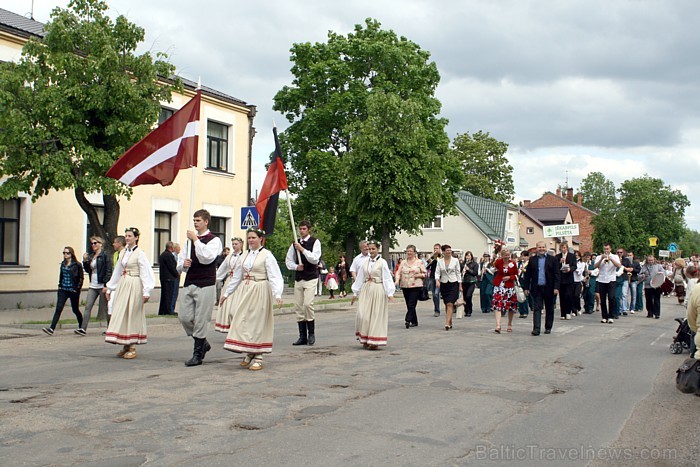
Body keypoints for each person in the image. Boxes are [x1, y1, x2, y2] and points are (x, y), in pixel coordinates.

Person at [220, 228, 283, 371]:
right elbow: (237, 276)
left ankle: (258, 355)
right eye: (249, 238)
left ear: (261, 239)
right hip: (245, 288)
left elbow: (274, 275)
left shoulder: (267, 255)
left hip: (260, 288)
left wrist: (277, 294)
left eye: (253, 237)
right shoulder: (244, 255)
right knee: (240, 317)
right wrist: (226, 294)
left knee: (256, 321)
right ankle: (249, 351)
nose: (251, 240)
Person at [177, 209, 223, 367]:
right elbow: (180, 261)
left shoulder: (214, 240)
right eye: (194, 220)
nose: (195, 223)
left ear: (206, 222)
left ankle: (197, 353)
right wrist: (183, 265)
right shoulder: (189, 241)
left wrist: (196, 240)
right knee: (184, 316)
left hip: (206, 283)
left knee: (201, 319)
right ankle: (202, 341)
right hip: (190, 281)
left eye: (198, 220)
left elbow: (206, 258)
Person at [104, 228, 155, 359]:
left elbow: (145, 272)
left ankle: (132, 345)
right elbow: (117, 271)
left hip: (134, 284)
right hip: (123, 283)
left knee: (132, 313)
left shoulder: (140, 253)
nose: (127, 238)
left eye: (130, 236)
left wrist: (146, 291)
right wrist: (110, 287)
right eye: (126, 236)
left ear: (136, 237)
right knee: (121, 312)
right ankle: (125, 344)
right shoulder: (123, 253)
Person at [351, 241, 396, 349]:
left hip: (378, 288)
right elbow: (360, 277)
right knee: (363, 314)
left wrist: (390, 293)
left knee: (376, 315)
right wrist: (355, 292)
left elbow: (386, 277)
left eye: (373, 249)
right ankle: (365, 337)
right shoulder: (365, 262)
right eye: (369, 249)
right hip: (366, 289)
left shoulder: (382, 262)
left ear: (378, 249)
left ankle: (374, 340)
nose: (371, 251)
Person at [285, 220, 322, 346]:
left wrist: (303, 250)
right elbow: (288, 261)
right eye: (300, 229)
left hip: (311, 277)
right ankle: (302, 336)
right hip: (299, 277)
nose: (301, 231)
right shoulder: (294, 244)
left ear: (308, 229)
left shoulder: (315, 242)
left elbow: (315, 259)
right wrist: (296, 267)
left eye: (304, 229)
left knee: (307, 304)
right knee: (299, 306)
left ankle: (311, 333)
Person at [42, 246, 85, 336]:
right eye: (64, 253)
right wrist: (60, 286)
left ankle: (82, 326)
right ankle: (51, 328)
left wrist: (77, 289)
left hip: (73, 290)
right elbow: (61, 276)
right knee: (58, 308)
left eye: (67, 253)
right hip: (63, 289)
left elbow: (81, 278)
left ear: (71, 254)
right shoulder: (63, 264)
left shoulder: (77, 265)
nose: (65, 255)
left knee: (75, 309)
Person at [522, 240, 560, 336]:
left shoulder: (553, 259)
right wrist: (526, 287)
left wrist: (556, 287)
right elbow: (528, 275)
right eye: (539, 247)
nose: (541, 249)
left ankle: (548, 327)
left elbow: (557, 275)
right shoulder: (532, 260)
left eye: (543, 247)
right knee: (537, 308)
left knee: (549, 308)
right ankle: (536, 329)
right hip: (537, 288)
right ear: (536, 248)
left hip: (549, 288)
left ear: (546, 248)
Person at [78, 236, 112, 335]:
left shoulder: (105, 255)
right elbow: (89, 270)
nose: (93, 245)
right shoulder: (92, 256)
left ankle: (110, 328)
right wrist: (85, 261)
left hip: (102, 285)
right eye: (92, 243)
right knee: (88, 306)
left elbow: (108, 270)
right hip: (93, 285)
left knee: (106, 307)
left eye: (95, 243)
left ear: (100, 244)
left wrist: (106, 285)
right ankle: (83, 328)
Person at [214, 237, 244, 332]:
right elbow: (221, 270)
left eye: (236, 244)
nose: (234, 246)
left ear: (241, 244)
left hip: (240, 283)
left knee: (236, 307)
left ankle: (238, 328)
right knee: (227, 305)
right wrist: (213, 279)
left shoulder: (244, 256)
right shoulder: (229, 257)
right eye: (233, 244)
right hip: (229, 281)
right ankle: (229, 326)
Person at [394, 244, 426, 328]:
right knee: (409, 304)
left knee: (412, 303)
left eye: (411, 251)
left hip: (416, 285)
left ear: (414, 252)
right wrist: (397, 280)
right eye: (407, 251)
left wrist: (419, 275)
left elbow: (425, 273)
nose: (409, 253)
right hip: (405, 285)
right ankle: (414, 321)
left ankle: (407, 320)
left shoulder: (419, 262)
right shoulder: (403, 262)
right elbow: (398, 272)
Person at [491, 246, 519, 334]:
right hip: (499, 286)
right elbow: (492, 266)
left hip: (510, 287)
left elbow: (516, 275)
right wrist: (495, 253)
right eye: (505, 255)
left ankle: (509, 323)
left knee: (510, 306)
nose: (507, 257)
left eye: (508, 255)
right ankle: (498, 325)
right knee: (498, 304)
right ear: (502, 256)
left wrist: (510, 277)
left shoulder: (513, 263)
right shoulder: (498, 262)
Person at [594, 243, 623, 324]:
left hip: (611, 279)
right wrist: (601, 259)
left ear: (610, 249)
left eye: (607, 249)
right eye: (605, 249)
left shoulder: (615, 256)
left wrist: (611, 260)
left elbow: (618, 265)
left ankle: (610, 316)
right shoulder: (599, 257)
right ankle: (604, 316)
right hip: (602, 279)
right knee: (602, 299)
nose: (606, 251)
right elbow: (595, 266)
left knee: (611, 297)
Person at [435, 244, 461, 330]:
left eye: (450, 250)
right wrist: (437, 280)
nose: (449, 252)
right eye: (447, 251)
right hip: (444, 283)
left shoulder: (455, 260)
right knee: (446, 303)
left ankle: (446, 322)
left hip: (453, 283)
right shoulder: (440, 261)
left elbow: (458, 273)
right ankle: (450, 321)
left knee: (450, 303)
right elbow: (437, 272)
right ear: (443, 252)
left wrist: (460, 284)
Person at [556, 241, 577, 320]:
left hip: (569, 279)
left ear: (567, 248)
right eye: (561, 248)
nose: (563, 249)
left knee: (568, 295)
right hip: (561, 279)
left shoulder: (572, 256)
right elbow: (555, 267)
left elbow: (574, 266)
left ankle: (568, 312)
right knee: (562, 296)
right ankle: (563, 313)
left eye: (564, 248)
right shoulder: (557, 256)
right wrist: (559, 262)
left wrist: (570, 269)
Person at [158, 241, 179, 316]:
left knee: (164, 295)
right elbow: (171, 267)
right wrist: (177, 275)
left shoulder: (163, 254)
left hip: (163, 277)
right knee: (169, 295)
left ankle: (162, 311)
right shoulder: (169, 256)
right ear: (171, 247)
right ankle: (168, 311)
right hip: (169, 278)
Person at [425, 244, 442, 317]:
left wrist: (438, 259)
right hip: (432, 277)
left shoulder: (441, 257)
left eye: (437, 248)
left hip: (440, 277)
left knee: (438, 293)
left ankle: (451, 306)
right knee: (435, 294)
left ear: (440, 249)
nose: (435, 250)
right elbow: (427, 266)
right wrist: (431, 259)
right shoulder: (432, 257)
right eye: (434, 248)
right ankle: (437, 310)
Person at [460, 251, 478, 317]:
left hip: (471, 282)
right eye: (467, 256)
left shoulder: (475, 264)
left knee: (468, 296)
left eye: (469, 256)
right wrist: (463, 270)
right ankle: (466, 310)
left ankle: (470, 310)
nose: (468, 257)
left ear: (471, 257)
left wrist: (468, 269)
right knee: (465, 297)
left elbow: (475, 273)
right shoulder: (463, 264)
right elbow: (459, 272)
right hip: (464, 282)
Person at [517, 251, 531, 318]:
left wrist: (524, 270)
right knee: (519, 296)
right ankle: (521, 311)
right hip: (520, 280)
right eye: (523, 256)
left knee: (525, 297)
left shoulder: (529, 263)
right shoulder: (520, 263)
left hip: (526, 281)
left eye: (525, 256)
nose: (524, 258)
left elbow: (531, 272)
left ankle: (525, 311)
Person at [171, 242, 181, 314]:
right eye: (178, 248)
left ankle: (172, 308)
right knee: (174, 292)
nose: (180, 249)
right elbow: (174, 267)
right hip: (175, 276)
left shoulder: (177, 256)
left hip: (177, 275)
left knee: (175, 293)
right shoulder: (173, 256)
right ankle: (171, 309)